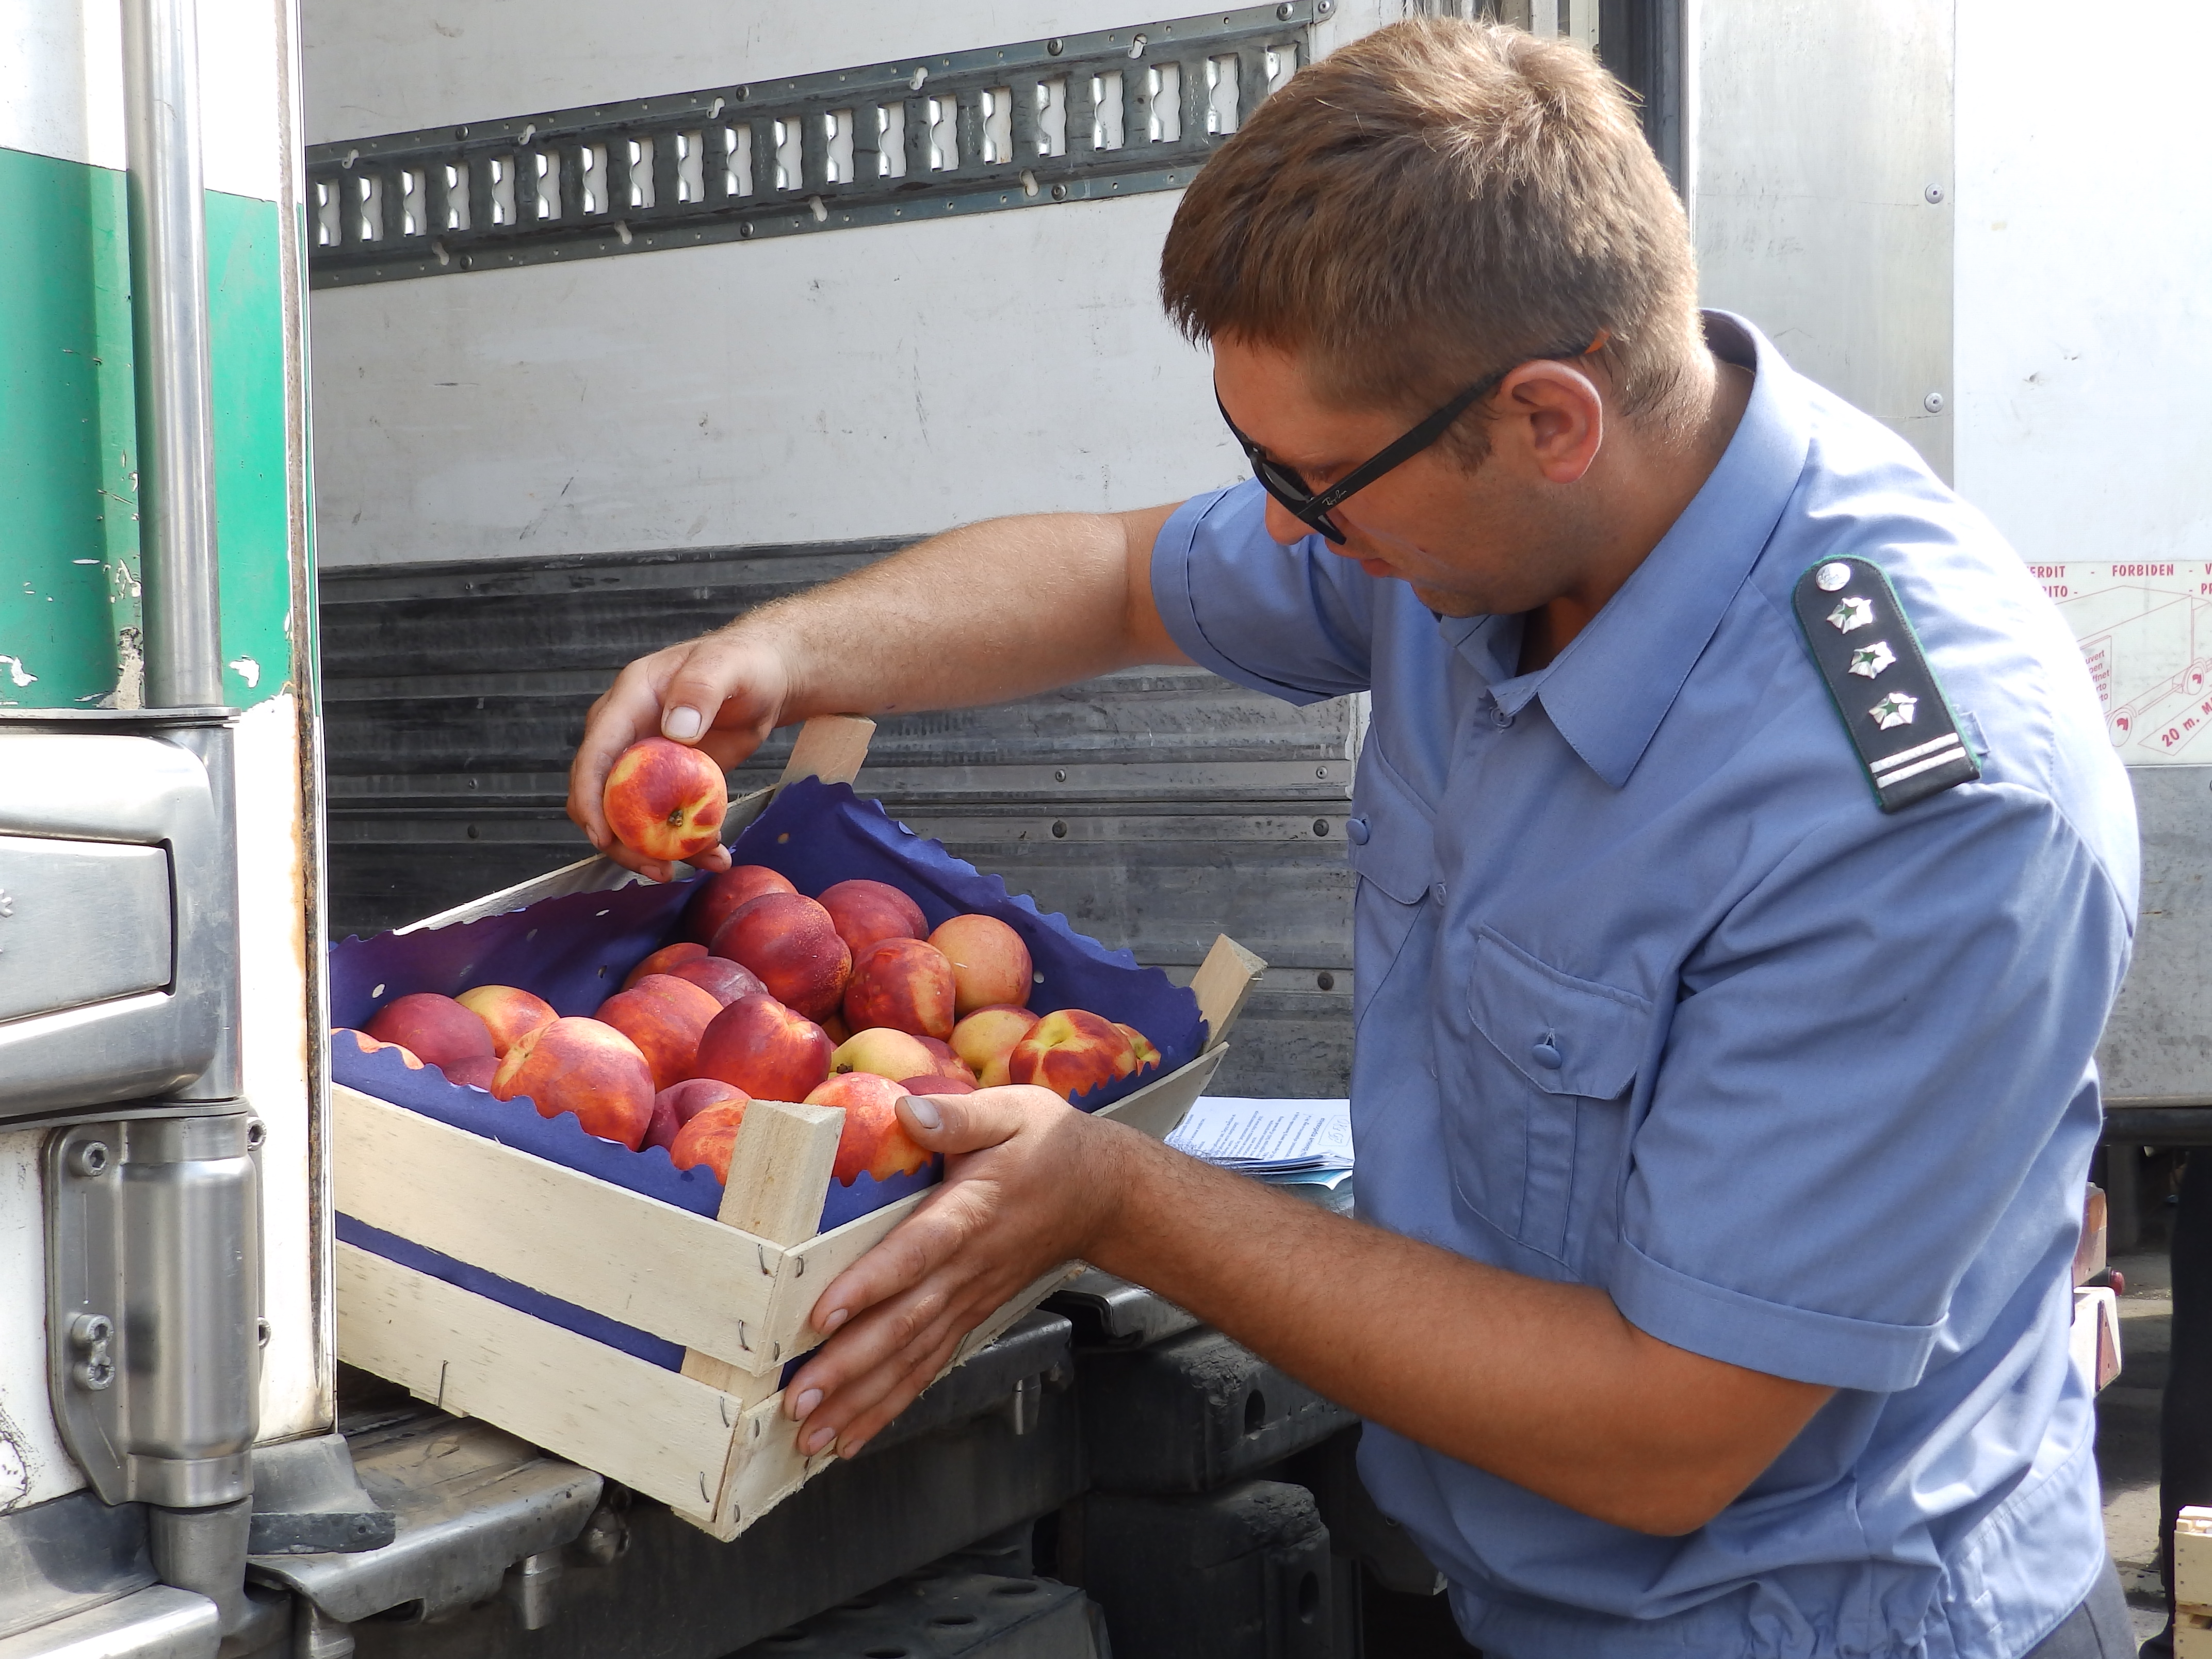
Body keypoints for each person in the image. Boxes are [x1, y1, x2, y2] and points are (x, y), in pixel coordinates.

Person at [567, 21, 2139, 1657]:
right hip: (1500, 1583)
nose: (1290, 530)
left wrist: (1116, 1196)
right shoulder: (1475, 530)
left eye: (1317, 486)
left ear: (1550, 418)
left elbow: (1670, 1430)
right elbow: (1118, 576)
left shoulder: (1921, 812)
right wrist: (777, 656)